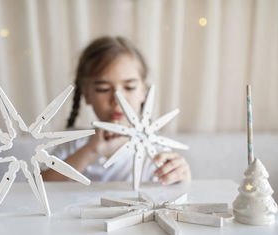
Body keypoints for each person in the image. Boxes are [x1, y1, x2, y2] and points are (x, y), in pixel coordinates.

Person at [41, 36, 191, 185]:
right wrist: (91, 151)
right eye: (103, 89)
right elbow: (38, 186)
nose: (118, 100)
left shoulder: (158, 154)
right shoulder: (72, 144)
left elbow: (176, 198)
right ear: (86, 94)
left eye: (129, 87)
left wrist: (183, 179)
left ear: (144, 92)